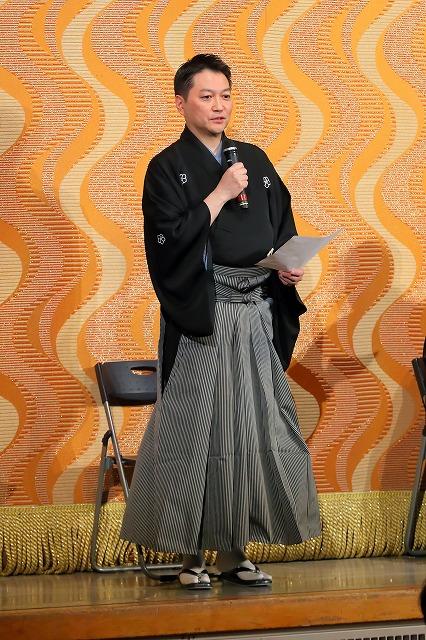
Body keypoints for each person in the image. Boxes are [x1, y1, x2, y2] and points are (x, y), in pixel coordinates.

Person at [121, 53, 321, 590]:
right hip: (203, 316)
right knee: (196, 431)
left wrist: (287, 269)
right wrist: (219, 194)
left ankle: (235, 552)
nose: (218, 106)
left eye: (225, 95)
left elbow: (281, 226)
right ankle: (191, 556)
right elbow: (167, 245)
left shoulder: (253, 158)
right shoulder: (167, 167)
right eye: (206, 96)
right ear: (181, 102)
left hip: (255, 312)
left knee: (253, 428)